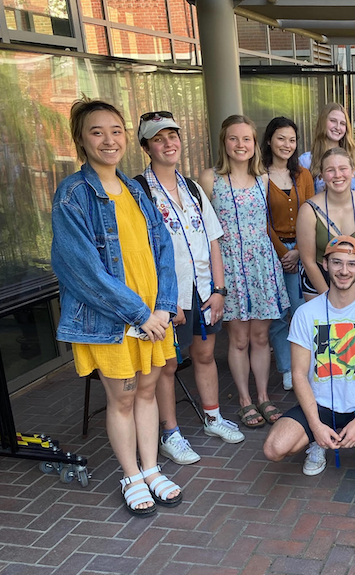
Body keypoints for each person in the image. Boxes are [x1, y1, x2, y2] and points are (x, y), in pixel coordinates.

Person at [52, 98, 181, 515]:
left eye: (116, 130)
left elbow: (162, 247)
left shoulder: (134, 188)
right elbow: (81, 269)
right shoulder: (73, 193)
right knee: (122, 399)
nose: (109, 140)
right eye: (96, 131)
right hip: (113, 320)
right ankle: (130, 474)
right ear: (81, 140)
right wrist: (140, 314)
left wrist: (162, 307)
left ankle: (150, 468)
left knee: (148, 394)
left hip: (153, 318)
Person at [136, 111, 244, 465]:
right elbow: (142, 254)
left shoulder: (193, 188)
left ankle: (212, 417)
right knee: (166, 365)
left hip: (203, 291)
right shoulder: (139, 191)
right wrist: (165, 301)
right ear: (146, 146)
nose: (168, 143)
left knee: (205, 354)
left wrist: (219, 290)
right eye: (158, 138)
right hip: (167, 299)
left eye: (173, 136)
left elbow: (213, 241)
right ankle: (170, 434)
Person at [262, 236, 355, 475]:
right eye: (337, 263)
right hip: (319, 405)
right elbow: (298, 374)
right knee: (274, 449)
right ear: (325, 264)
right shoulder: (305, 313)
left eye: (351, 264)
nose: (344, 270)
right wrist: (315, 425)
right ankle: (316, 441)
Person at [200, 115, 289, 429]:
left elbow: (268, 224)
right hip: (230, 266)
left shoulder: (263, 178)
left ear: (254, 144)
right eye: (234, 138)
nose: (240, 145)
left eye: (246, 139)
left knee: (261, 336)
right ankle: (243, 399)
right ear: (224, 142)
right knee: (238, 339)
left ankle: (263, 395)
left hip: (261, 265)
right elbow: (204, 231)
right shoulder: (210, 179)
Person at [262, 116, 316, 391]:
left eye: (292, 140)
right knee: (278, 315)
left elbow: (310, 212)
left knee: (301, 312)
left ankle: (304, 367)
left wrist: (299, 252)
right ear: (270, 140)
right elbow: (262, 220)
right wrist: (284, 251)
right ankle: (286, 368)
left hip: (302, 250)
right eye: (281, 138)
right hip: (272, 252)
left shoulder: (302, 174)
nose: (287, 144)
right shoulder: (259, 175)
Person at [296, 147, 355, 302]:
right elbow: (308, 261)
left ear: (353, 171)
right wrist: (330, 299)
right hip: (318, 283)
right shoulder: (308, 211)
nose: (338, 175)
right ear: (321, 175)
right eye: (330, 170)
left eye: (343, 169)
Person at [299, 103, 355, 194]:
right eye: (333, 121)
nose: (338, 127)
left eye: (342, 123)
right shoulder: (306, 160)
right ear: (323, 122)